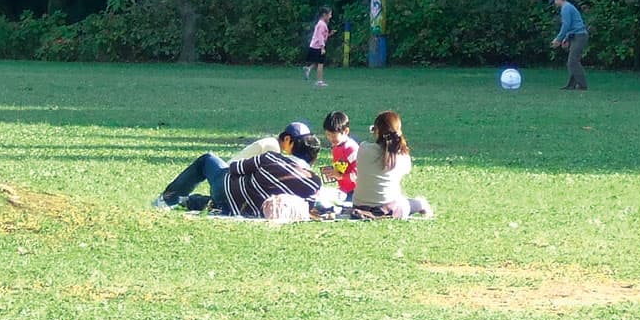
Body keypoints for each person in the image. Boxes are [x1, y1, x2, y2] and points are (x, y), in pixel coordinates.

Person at [153, 121, 327, 217]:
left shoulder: (271, 158)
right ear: (315, 156)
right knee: (220, 199)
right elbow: (306, 207)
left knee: (207, 160)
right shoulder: (315, 183)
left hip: (228, 191)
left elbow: (235, 168)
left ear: (292, 144)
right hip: (256, 210)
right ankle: (190, 201)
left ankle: (166, 199)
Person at [351, 110, 432, 219]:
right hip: (388, 208)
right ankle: (421, 204)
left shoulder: (363, 148)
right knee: (410, 203)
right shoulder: (401, 157)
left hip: (359, 206)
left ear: (377, 131)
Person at [549, 0, 589, 91]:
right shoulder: (568, 7)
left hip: (579, 36)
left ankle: (582, 85)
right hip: (575, 35)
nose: (554, 3)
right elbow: (571, 25)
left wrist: (558, 39)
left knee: (572, 61)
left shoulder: (565, 8)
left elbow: (566, 25)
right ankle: (572, 84)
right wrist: (566, 38)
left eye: (554, 1)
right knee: (573, 61)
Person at [322, 110, 358, 202]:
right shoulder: (336, 145)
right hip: (344, 189)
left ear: (346, 131)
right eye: (328, 135)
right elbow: (342, 165)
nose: (330, 138)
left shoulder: (350, 149)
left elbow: (359, 175)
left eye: (334, 135)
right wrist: (333, 172)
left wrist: (341, 177)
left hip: (356, 192)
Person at [303, 6, 333, 86]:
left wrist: (329, 34)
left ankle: (308, 69)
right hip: (318, 46)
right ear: (324, 15)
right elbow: (320, 37)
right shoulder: (322, 24)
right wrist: (322, 48)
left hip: (315, 46)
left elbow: (322, 36)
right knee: (320, 64)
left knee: (317, 62)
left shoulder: (321, 24)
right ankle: (319, 81)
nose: (330, 16)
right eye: (329, 14)